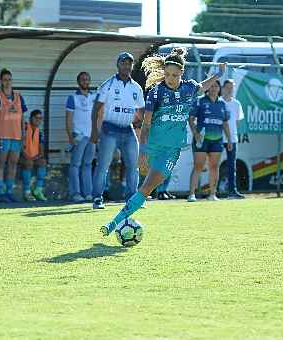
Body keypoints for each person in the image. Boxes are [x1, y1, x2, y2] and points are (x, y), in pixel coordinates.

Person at [99, 47, 226, 236]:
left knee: (148, 187)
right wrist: (142, 151)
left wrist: (219, 74)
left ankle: (114, 223)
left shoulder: (189, 88)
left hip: (171, 151)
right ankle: (117, 220)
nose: (171, 78)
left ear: (182, 73)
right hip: (152, 146)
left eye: (175, 75)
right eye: (167, 74)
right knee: (143, 180)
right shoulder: (157, 93)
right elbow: (147, 125)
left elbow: (204, 85)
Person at [90, 52, 145, 209]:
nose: (126, 66)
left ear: (132, 66)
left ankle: (132, 199)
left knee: (133, 166)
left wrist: (149, 125)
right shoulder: (107, 85)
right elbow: (96, 109)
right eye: (123, 63)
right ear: (118, 65)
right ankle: (97, 198)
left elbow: (141, 111)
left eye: (129, 63)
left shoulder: (136, 88)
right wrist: (95, 131)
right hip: (109, 129)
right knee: (103, 165)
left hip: (128, 130)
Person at [188, 80, 232, 202]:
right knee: (198, 166)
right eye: (211, 86)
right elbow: (191, 119)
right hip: (201, 140)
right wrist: (195, 134)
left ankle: (212, 194)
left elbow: (225, 123)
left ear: (219, 88)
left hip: (217, 140)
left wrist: (229, 140)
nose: (213, 88)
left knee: (214, 166)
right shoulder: (200, 101)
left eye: (216, 86)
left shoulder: (222, 104)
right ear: (208, 88)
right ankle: (192, 194)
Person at [0, 68, 28, 203]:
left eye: (9, 79)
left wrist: (23, 136)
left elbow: (22, 118)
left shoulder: (19, 97)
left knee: (13, 163)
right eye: (5, 80)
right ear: (1, 81)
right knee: (1, 163)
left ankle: (9, 191)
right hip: (3, 136)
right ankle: (0, 192)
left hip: (16, 136)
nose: (7, 82)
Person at [66, 71, 97, 203]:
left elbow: (97, 116)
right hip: (78, 135)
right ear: (78, 82)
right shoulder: (73, 98)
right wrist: (70, 136)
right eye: (83, 80)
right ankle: (76, 193)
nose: (85, 82)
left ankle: (88, 193)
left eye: (87, 79)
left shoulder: (94, 97)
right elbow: (68, 118)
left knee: (88, 164)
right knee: (75, 165)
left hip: (91, 136)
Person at [221, 79, 245, 199]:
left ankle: (232, 191)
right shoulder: (218, 102)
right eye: (228, 87)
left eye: (232, 87)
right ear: (223, 88)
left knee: (232, 166)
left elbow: (237, 122)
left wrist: (232, 136)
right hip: (218, 138)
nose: (230, 90)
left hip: (232, 140)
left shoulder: (237, 104)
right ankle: (212, 192)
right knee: (213, 165)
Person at [20, 109, 47, 201]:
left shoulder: (40, 132)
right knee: (29, 163)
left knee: (43, 162)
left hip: (33, 157)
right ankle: (27, 192)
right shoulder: (25, 128)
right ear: (31, 118)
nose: (38, 120)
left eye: (41, 118)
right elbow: (20, 145)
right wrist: (27, 156)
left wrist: (38, 156)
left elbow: (41, 150)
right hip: (22, 156)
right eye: (36, 118)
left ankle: (38, 190)